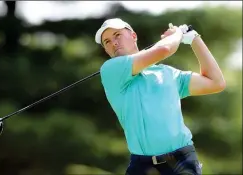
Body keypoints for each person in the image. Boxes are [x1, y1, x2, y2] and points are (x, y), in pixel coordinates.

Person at [95, 18, 226, 175]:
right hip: (142, 164)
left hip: (181, 160)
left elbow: (216, 82)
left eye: (117, 35)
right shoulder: (111, 70)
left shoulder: (168, 73)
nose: (113, 43)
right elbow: (164, 49)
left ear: (134, 36)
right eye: (107, 42)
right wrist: (178, 33)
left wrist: (193, 38)